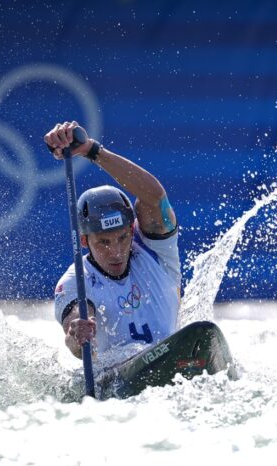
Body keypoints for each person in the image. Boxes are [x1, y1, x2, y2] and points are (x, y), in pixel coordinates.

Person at [45, 121, 181, 362]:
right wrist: (77, 333)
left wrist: (91, 150)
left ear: (132, 229)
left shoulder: (154, 251)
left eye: (122, 238)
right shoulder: (74, 281)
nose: (117, 252)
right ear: (84, 241)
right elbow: (73, 322)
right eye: (104, 243)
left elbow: (155, 197)